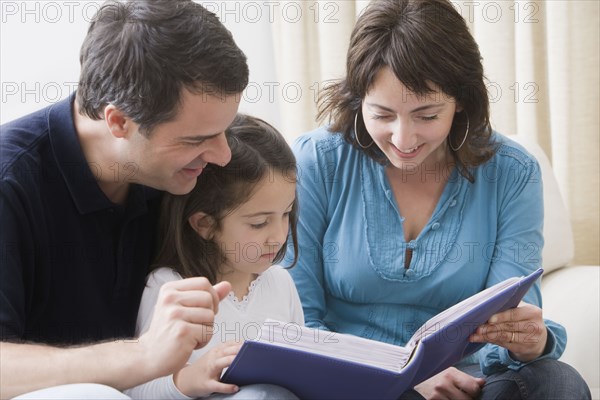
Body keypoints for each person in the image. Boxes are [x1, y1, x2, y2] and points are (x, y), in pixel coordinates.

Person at [284, 0, 591, 399]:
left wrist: (531, 341)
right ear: (358, 98)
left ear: (461, 99)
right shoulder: (316, 162)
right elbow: (297, 320)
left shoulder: (512, 172)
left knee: (558, 381)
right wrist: (404, 372)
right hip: (352, 378)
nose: (403, 139)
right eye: (381, 114)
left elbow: (509, 319)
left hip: (469, 382)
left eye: (427, 116)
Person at [0, 1, 249, 398]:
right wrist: (143, 354)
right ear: (118, 122)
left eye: (223, 130)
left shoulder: (182, 171)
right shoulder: (11, 180)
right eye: (196, 140)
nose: (223, 155)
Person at [125, 114, 302, 399]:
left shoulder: (281, 284)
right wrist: (188, 380)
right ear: (205, 225)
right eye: (259, 223)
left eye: (286, 214)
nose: (279, 236)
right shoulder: (170, 288)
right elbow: (136, 389)